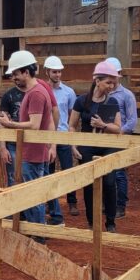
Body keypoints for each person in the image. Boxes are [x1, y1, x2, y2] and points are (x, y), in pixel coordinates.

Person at [0, 51, 54, 225]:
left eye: (15, 73)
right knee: (32, 194)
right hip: (33, 151)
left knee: (32, 196)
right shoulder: (37, 91)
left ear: (26, 72)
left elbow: (34, 124)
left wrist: (9, 124)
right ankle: (36, 231)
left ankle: (37, 234)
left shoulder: (36, 94)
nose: (13, 77)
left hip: (33, 153)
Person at [69, 61, 123, 232]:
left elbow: (118, 129)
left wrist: (102, 125)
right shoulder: (81, 101)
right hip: (87, 145)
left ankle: (111, 222)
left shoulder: (113, 102)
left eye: (113, 82)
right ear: (97, 81)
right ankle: (92, 222)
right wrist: (73, 145)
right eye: (108, 82)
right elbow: (72, 125)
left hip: (107, 145)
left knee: (109, 182)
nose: (111, 85)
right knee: (89, 183)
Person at [44, 55, 77, 223]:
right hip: (48, 136)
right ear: (47, 72)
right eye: (54, 72)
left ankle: (72, 202)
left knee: (67, 170)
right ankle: (50, 203)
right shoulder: (43, 91)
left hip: (63, 135)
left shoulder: (69, 92)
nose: (57, 75)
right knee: (48, 172)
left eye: (59, 72)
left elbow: (72, 116)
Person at [106, 57, 138, 219]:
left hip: (121, 139)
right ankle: (109, 203)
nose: (111, 78)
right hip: (104, 139)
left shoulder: (127, 95)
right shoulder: (102, 94)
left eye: (114, 74)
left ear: (119, 75)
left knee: (119, 173)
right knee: (105, 171)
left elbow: (132, 121)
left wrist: (119, 132)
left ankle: (120, 205)